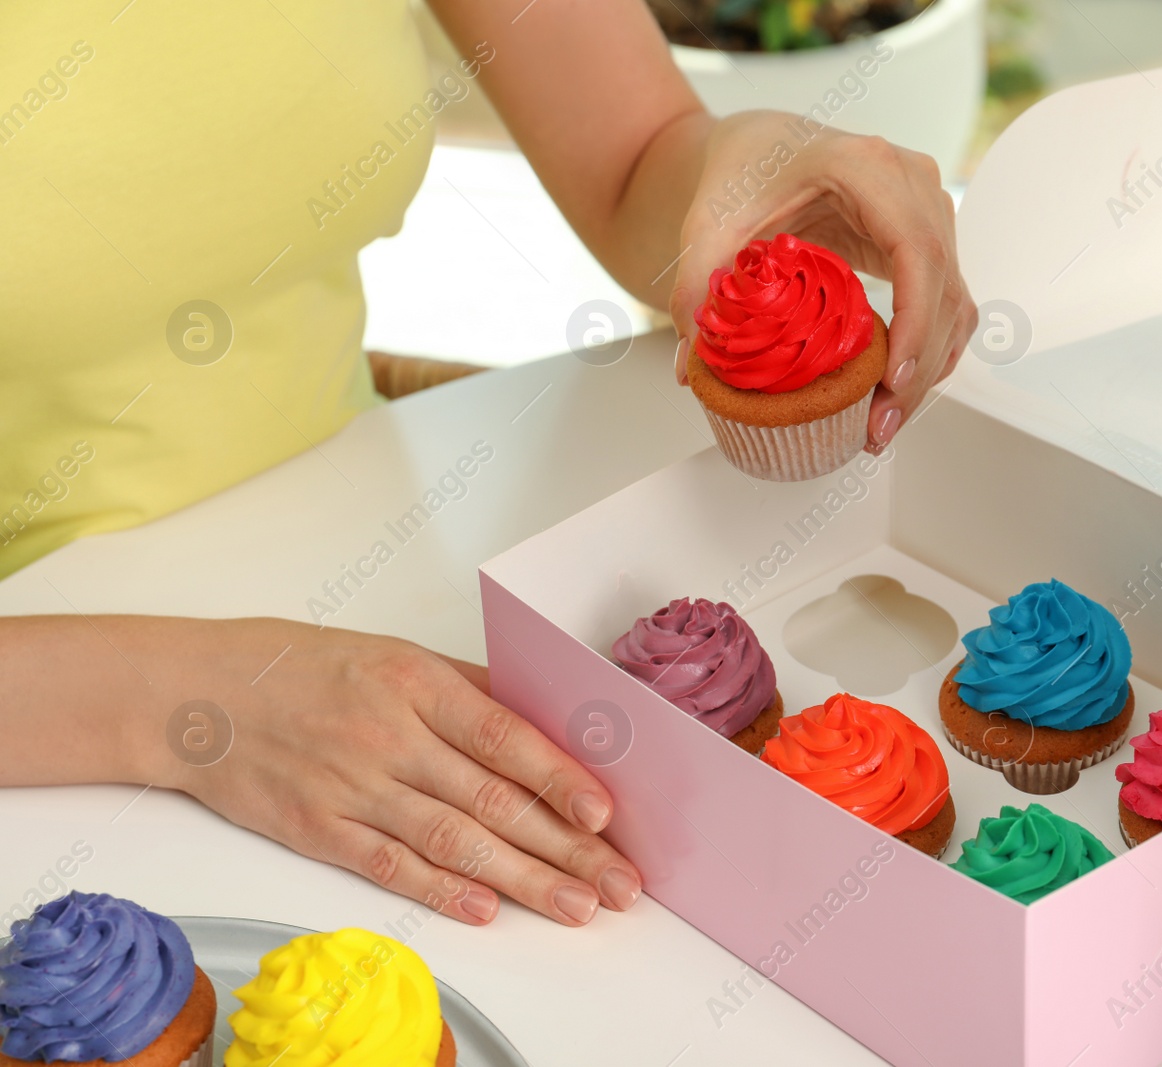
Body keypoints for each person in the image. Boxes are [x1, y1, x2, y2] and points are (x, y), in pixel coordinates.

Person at [0, 0, 975, 929]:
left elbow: (633, 164)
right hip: (63, 726)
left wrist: (744, 162)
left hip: (376, 573)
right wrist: (192, 704)